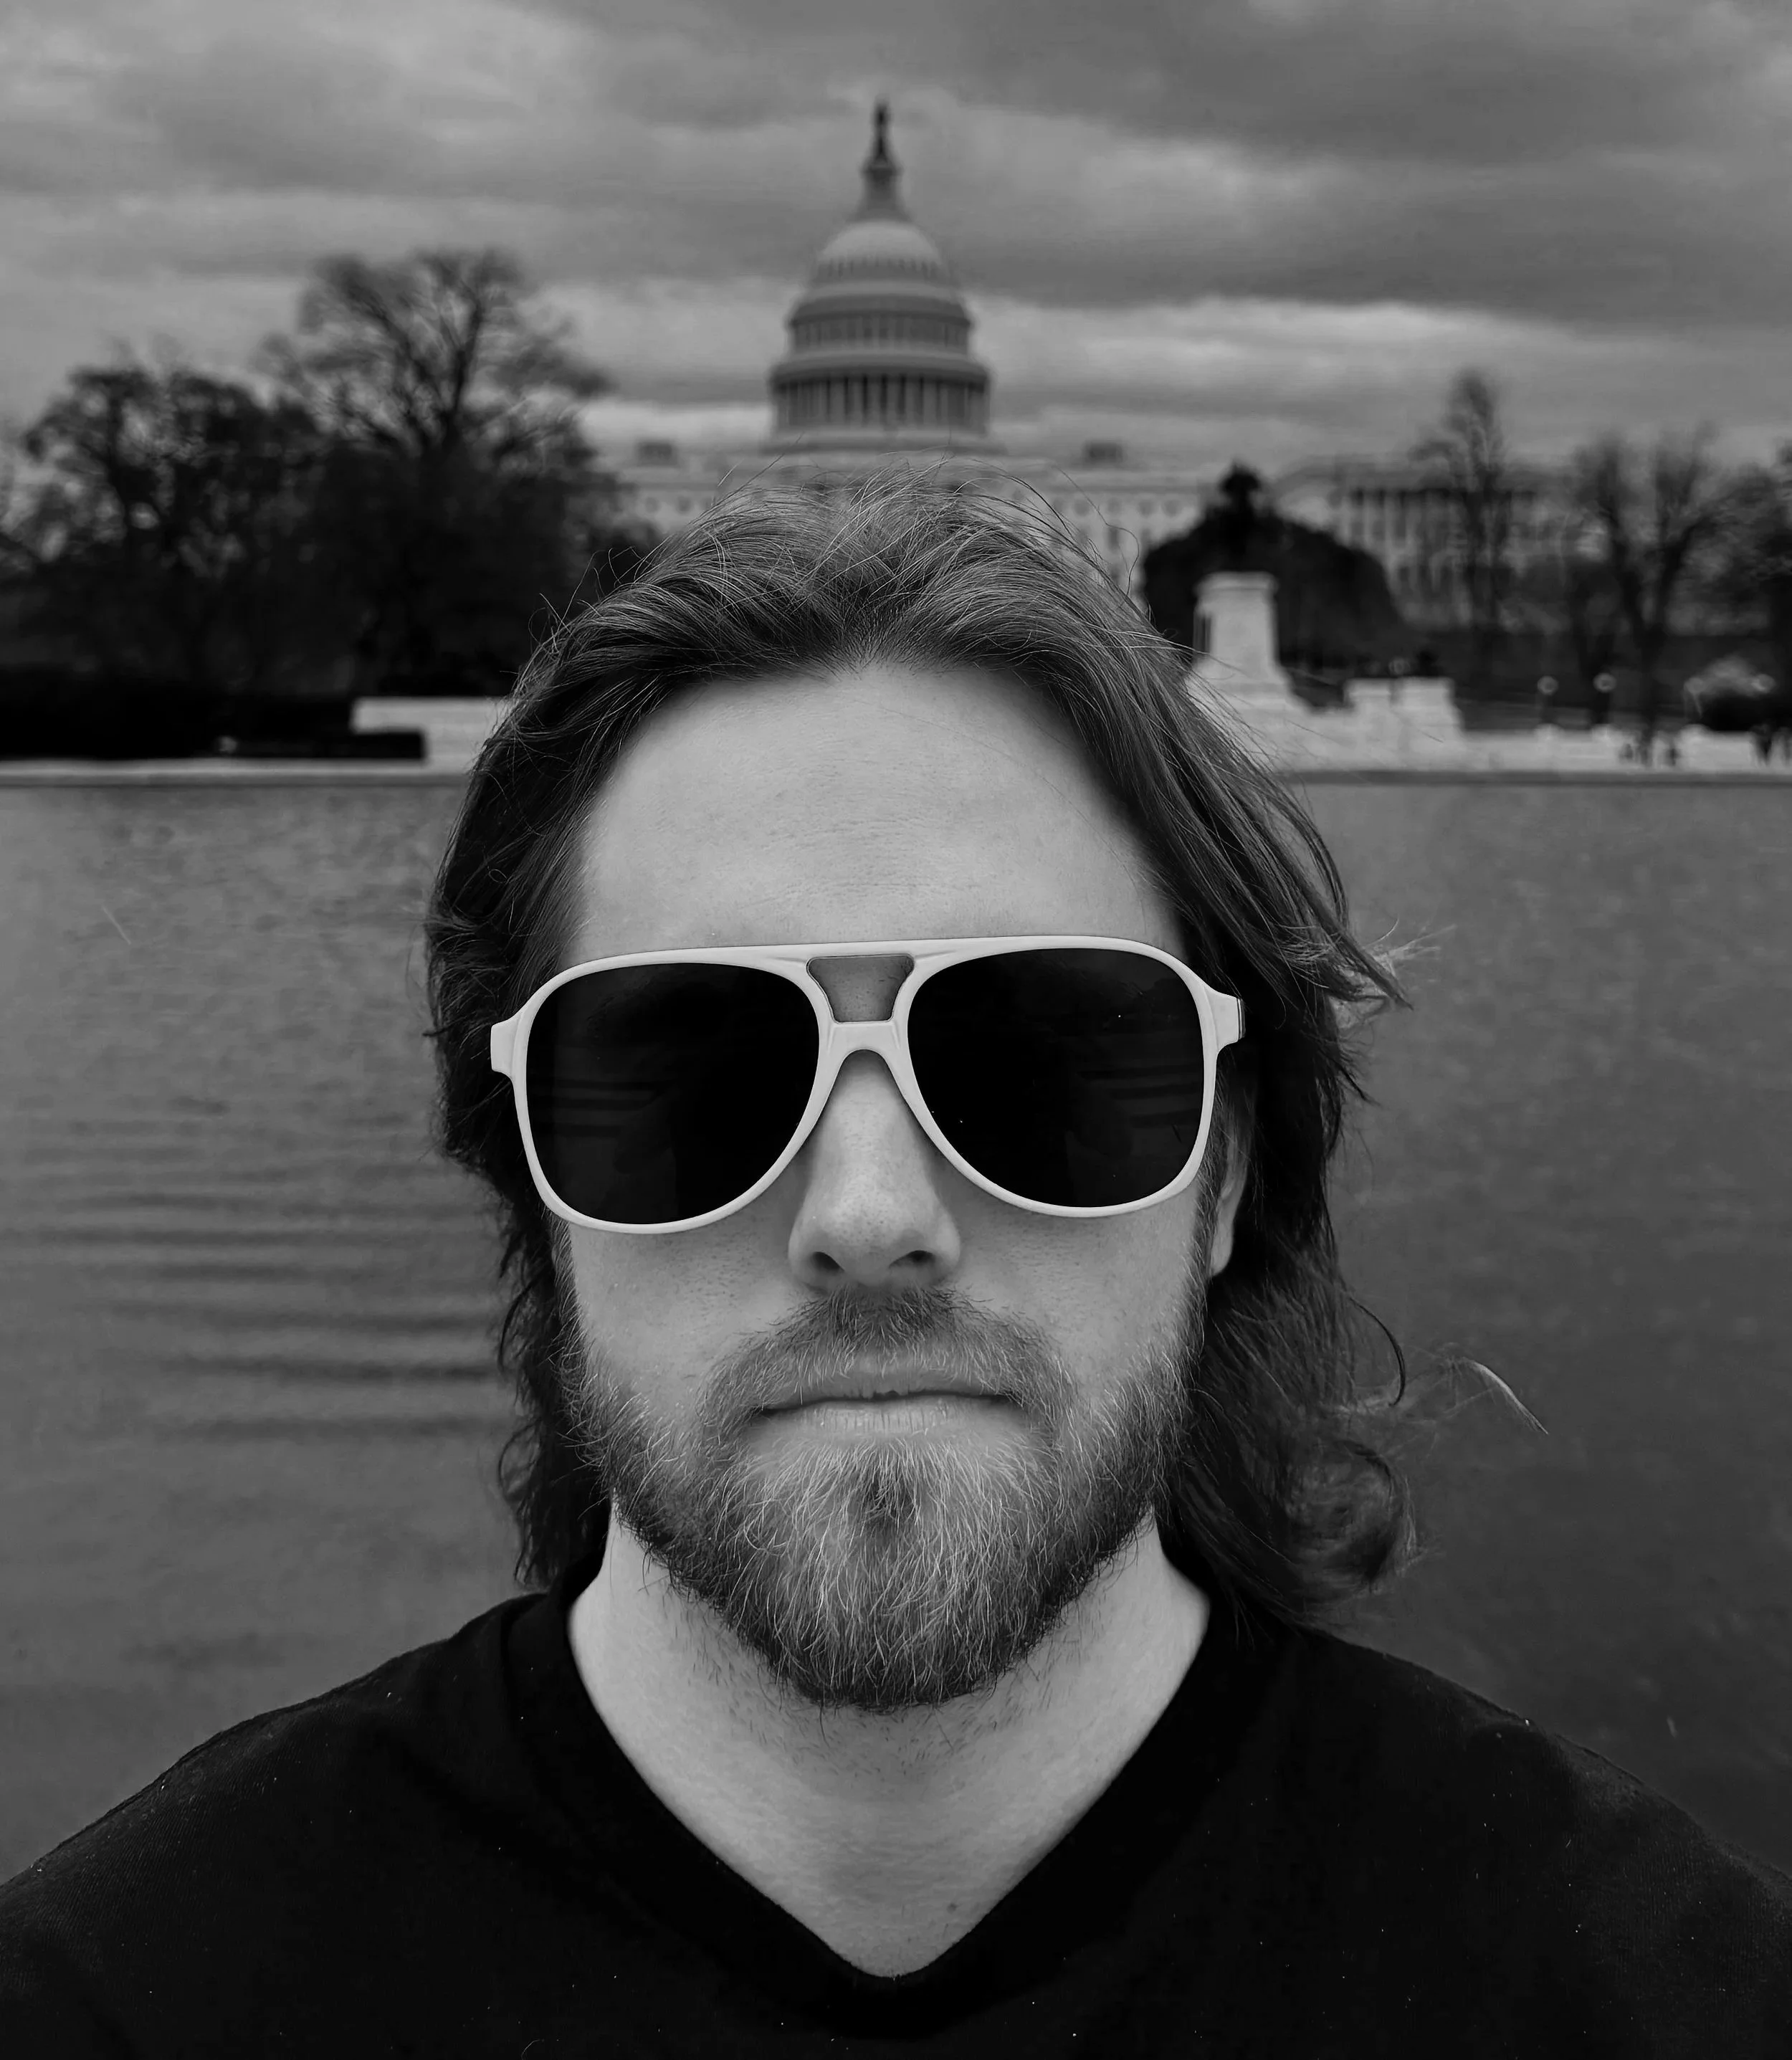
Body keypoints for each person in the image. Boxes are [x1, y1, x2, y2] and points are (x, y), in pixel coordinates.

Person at [3, 483, 1788, 2056]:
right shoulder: (115, 1999)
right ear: (532, 1177)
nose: (869, 1211)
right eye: (690, 1071)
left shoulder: (1656, 1997)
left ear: (1229, 1169)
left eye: (1041, 1053)